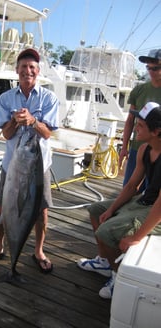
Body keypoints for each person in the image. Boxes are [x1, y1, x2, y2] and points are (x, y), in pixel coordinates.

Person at [0, 48, 59, 273]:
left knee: (41, 209)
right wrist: (15, 121)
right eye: (24, 66)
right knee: (1, 206)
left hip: (39, 165)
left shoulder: (49, 98)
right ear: (17, 70)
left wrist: (33, 121)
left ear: (38, 71)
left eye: (32, 67)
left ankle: (38, 251)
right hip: (12, 165)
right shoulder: (6, 98)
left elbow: (47, 134)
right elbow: (6, 135)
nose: (28, 71)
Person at [77, 102, 161, 299]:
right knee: (96, 210)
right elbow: (132, 186)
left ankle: (118, 276)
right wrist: (112, 208)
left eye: (140, 126)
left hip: (156, 210)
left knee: (106, 231)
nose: (134, 128)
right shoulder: (144, 150)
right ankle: (105, 262)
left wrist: (137, 236)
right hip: (145, 200)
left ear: (156, 131)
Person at [119, 49, 161, 190]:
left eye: (155, 67)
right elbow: (130, 120)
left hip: (158, 150)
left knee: (152, 192)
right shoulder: (139, 90)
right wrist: (124, 147)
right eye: (148, 67)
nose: (151, 70)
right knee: (129, 186)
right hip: (137, 148)